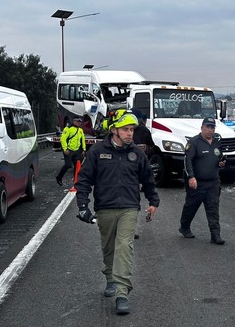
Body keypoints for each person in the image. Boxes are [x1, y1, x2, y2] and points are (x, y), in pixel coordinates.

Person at [74, 109, 160, 315]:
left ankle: (122, 292)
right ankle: (110, 277)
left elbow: (148, 180)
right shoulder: (96, 152)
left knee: (124, 246)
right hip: (104, 207)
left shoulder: (137, 154)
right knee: (109, 247)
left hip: (129, 208)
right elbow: (83, 180)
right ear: (114, 130)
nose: (130, 133)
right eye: (125, 129)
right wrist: (83, 205)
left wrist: (153, 201)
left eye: (132, 129)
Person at [179, 117, 226, 245]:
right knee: (191, 207)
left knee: (213, 208)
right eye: (207, 127)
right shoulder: (194, 142)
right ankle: (184, 226)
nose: (210, 130)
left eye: (212, 128)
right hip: (197, 182)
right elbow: (187, 160)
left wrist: (221, 163)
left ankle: (215, 235)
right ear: (202, 128)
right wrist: (191, 177)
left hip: (213, 182)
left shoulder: (217, 143)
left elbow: (219, 157)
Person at [131, 109, 156, 240]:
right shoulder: (120, 130)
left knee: (134, 199)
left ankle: (130, 228)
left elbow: (153, 148)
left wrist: (146, 149)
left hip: (140, 168)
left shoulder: (144, 131)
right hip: (123, 167)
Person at [56, 117, 86, 186]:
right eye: (78, 121)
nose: (79, 123)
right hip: (69, 150)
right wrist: (65, 149)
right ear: (74, 121)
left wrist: (84, 149)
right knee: (68, 165)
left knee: (77, 165)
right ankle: (59, 177)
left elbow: (82, 140)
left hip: (77, 150)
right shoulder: (67, 129)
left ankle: (75, 180)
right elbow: (63, 139)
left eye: (80, 122)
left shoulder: (80, 130)